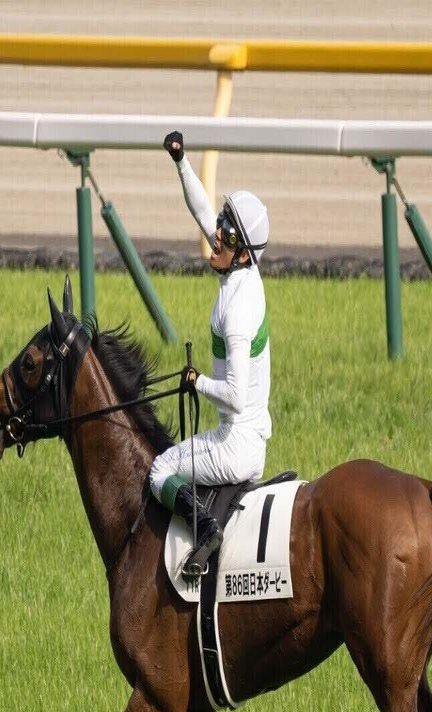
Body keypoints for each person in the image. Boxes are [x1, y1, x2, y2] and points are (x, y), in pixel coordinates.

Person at [149, 130, 273, 579]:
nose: (214, 234)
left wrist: (197, 382)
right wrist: (181, 162)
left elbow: (237, 396)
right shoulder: (239, 271)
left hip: (235, 442)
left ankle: (206, 530)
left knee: (160, 471)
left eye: (224, 230)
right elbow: (201, 209)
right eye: (220, 225)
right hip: (248, 436)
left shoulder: (238, 307)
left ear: (240, 250)